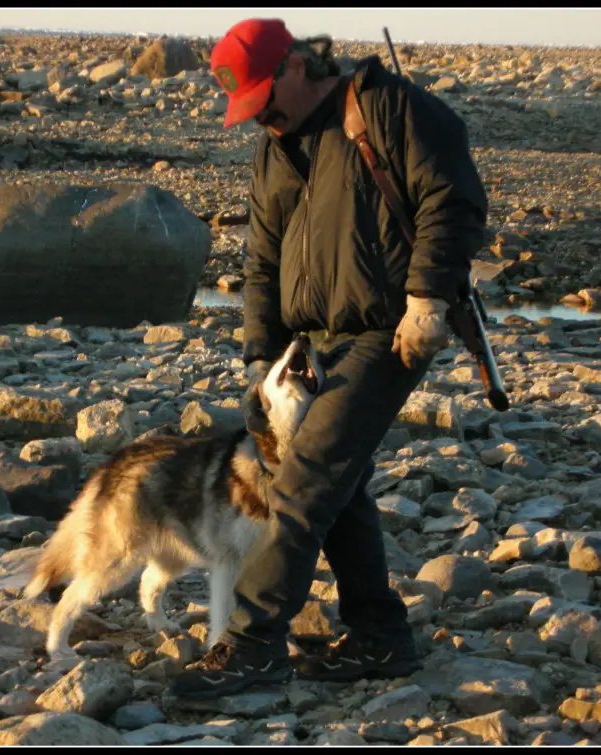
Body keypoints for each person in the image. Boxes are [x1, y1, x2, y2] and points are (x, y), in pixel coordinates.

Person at [170, 18, 488, 699]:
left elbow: (452, 198)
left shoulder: (386, 107)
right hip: (307, 347)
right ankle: (379, 635)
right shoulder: (275, 148)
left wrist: (427, 297)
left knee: (305, 483)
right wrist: (263, 357)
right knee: (339, 489)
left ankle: (253, 642)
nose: (263, 119)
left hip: (386, 333)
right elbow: (262, 257)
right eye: (250, 112)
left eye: (264, 101)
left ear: (293, 67)